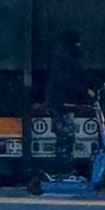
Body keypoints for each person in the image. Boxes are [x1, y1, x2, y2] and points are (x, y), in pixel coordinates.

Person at [43, 30, 95, 160]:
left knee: (65, 135)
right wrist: (86, 91)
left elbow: (81, 73)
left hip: (61, 102)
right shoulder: (64, 59)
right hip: (60, 103)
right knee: (65, 136)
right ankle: (62, 167)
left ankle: (63, 164)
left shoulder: (63, 57)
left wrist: (95, 83)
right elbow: (67, 81)